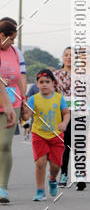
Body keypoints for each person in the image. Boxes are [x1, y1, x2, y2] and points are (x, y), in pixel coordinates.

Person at [23, 69, 70, 201]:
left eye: (47, 82)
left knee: (56, 166)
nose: (44, 84)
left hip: (56, 135)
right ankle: (40, 191)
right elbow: (27, 115)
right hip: (39, 134)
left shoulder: (59, 98)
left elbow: (66, 113)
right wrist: (24, 110)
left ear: (53, 83)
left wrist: (64, 123)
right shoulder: (33, 99)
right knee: (40, 163)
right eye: (41, 82)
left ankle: (52, 179)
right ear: (37, 84)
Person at [0, 17, 27, 204]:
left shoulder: (15, 53)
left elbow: (21, 78)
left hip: (12, 103)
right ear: (2, 35)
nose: (12, 43)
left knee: (4, 144)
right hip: (6, 103)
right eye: (11, 39)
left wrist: (23, 101)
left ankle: (2, 187)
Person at [53, 47, 72, 187]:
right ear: (62, 57)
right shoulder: (56, 75)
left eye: (72, 55)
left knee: (79, 145)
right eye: (66, 55)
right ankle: (63, 174)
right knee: (65, 145)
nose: (69, 57)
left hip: (81, 112)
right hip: (63, 113)